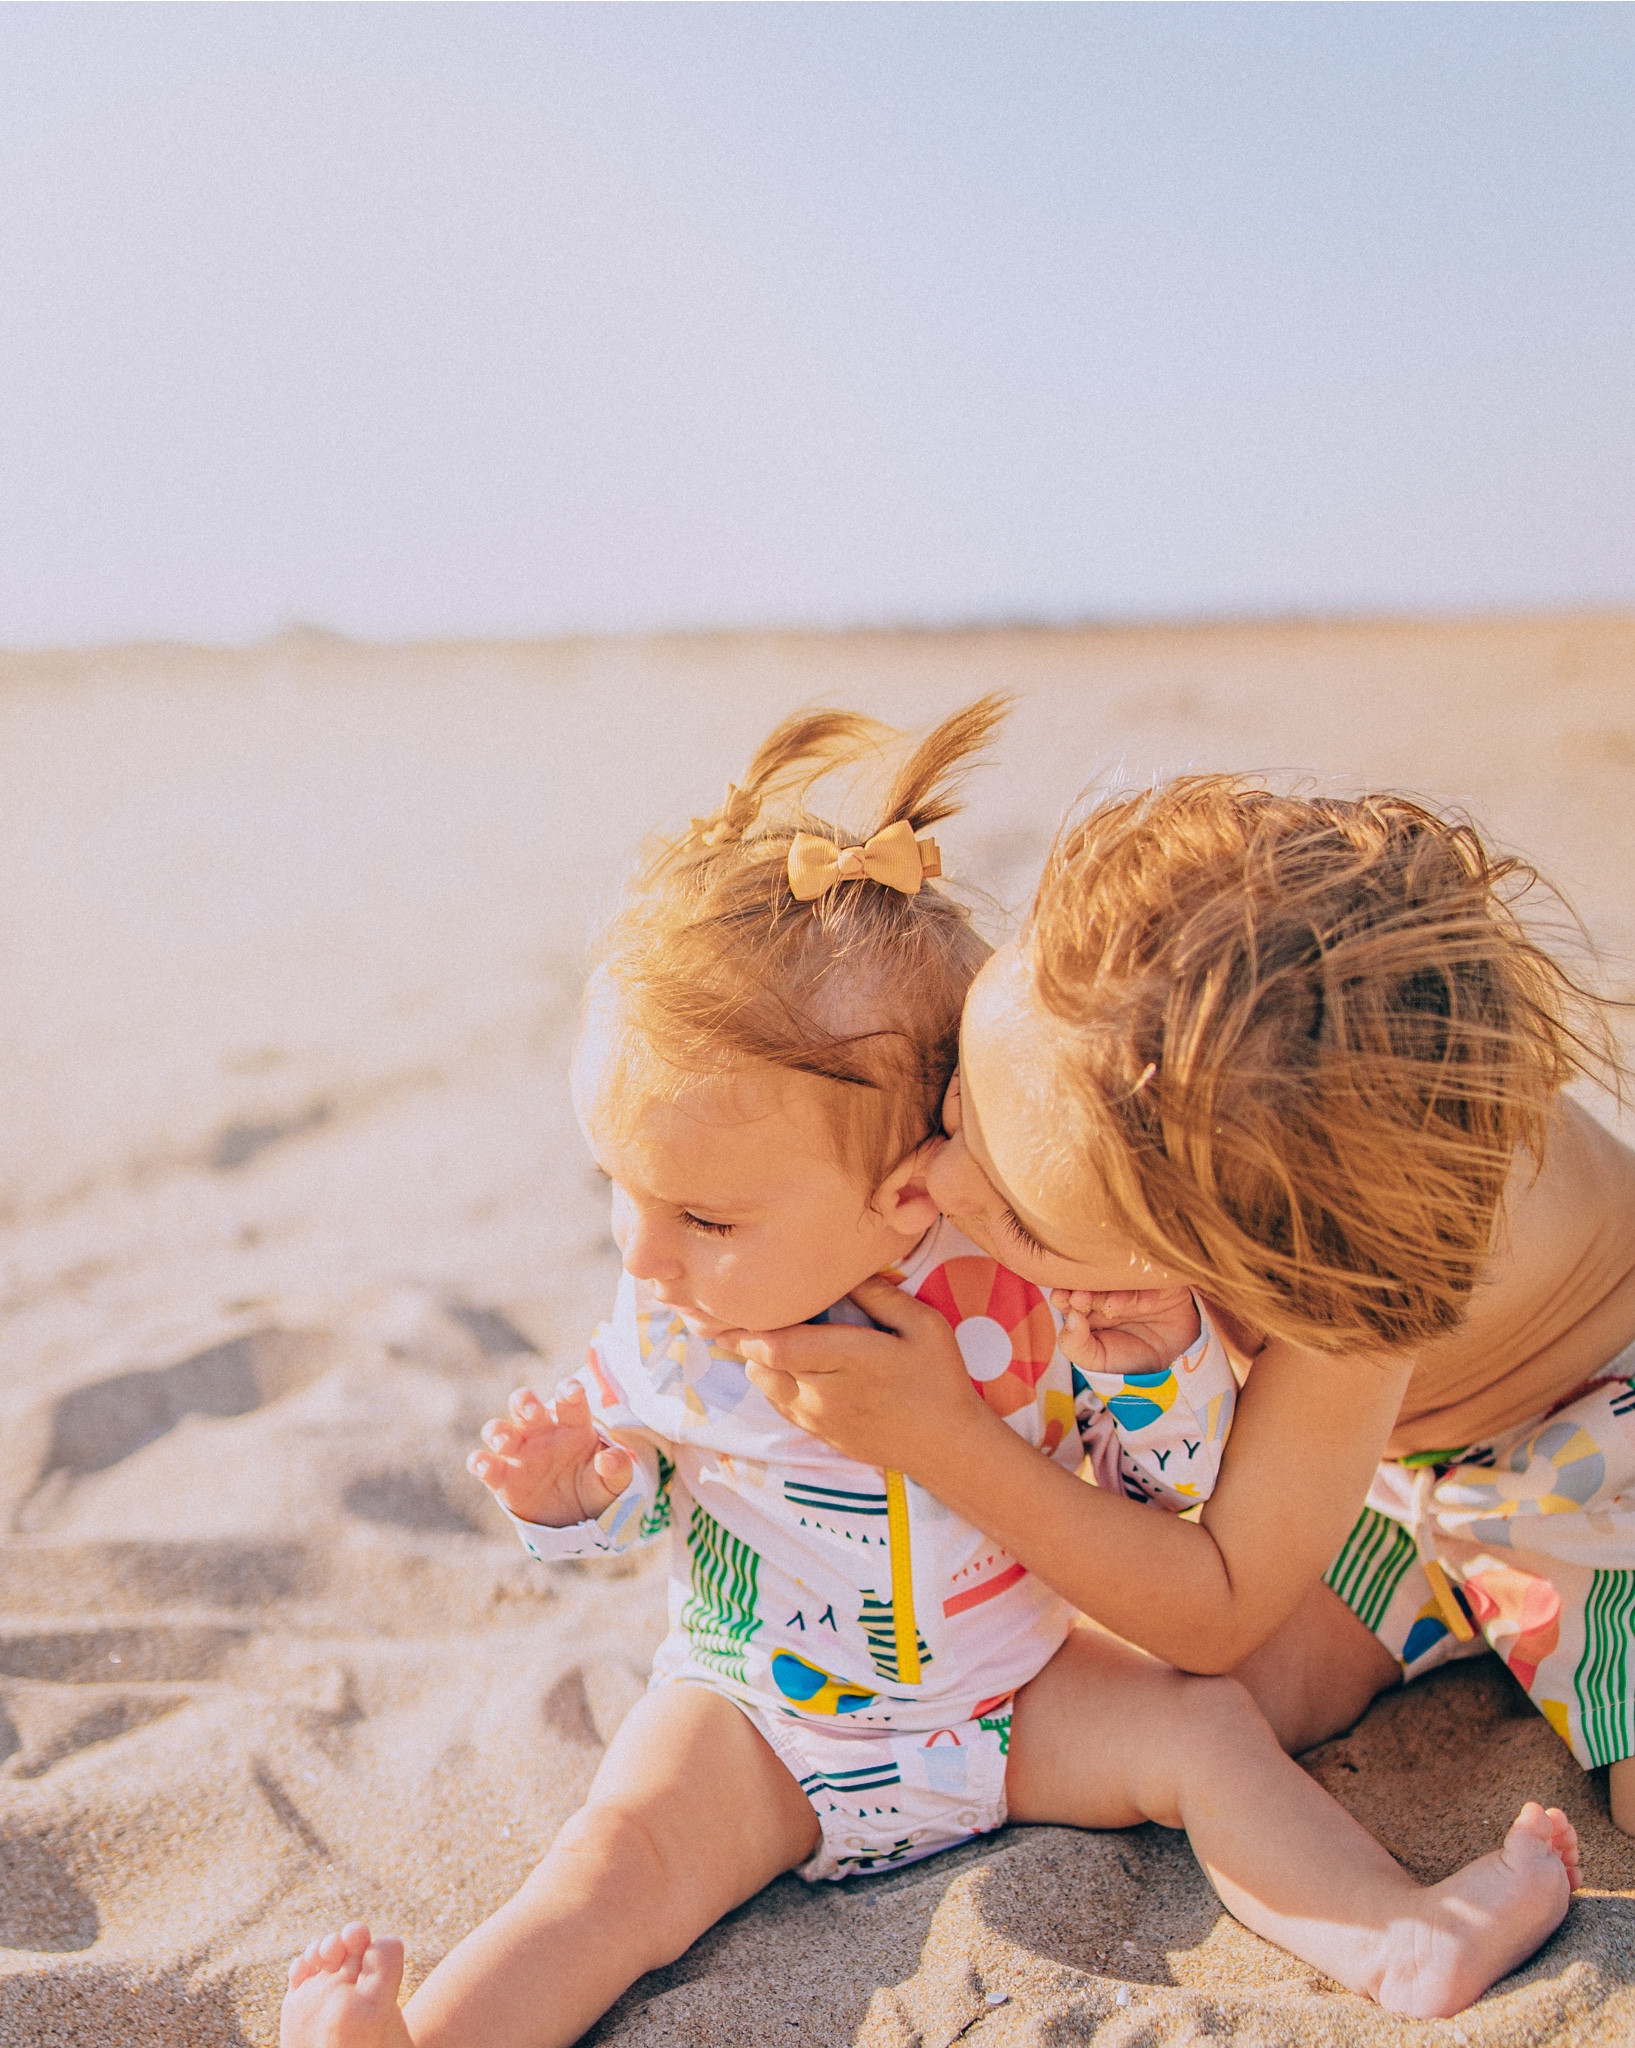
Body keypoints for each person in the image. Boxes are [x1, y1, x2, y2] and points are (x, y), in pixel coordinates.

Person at [280, 716, 1580, 2048]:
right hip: (759, 1713)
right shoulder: (676, 1312)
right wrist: (579, 1493)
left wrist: (1151, 1375)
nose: (642, 1250)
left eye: (705, 1217)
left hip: (1010, 1704)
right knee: (614, 1865)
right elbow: (644, 1494)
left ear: (900, 1189)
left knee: (1207, 1736)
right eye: (619, 1193)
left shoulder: (1029, 1286)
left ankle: (1393, 1938)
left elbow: (1170, 1494)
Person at [731, 776, 1635, 1841]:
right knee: (1184, 1702)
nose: (946, 1181)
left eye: (1017, 1215)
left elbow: (1220, 1602)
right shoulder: (1134, 1030)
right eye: (958, 1099)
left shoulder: (1362, 1262)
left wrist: (943, 1437)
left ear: (1256, 1263)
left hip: (1595, 1452)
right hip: (1392, 1480)